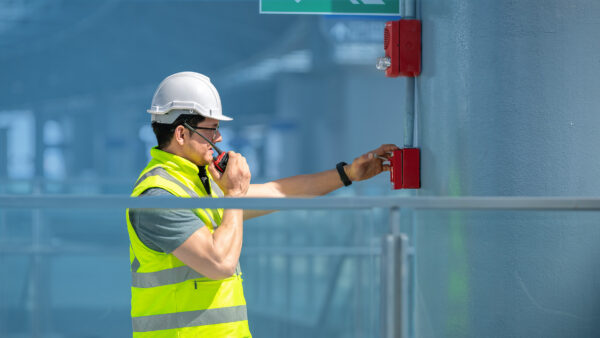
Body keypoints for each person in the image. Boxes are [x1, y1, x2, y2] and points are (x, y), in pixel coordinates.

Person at [126, 71, 399, 337]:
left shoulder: (198, 187)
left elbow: (279, 192)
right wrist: (233, 194)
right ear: (182, 134)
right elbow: (219, 263)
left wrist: (348, 174)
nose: (219, 139)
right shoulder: (159, 198)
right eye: (212, 129)